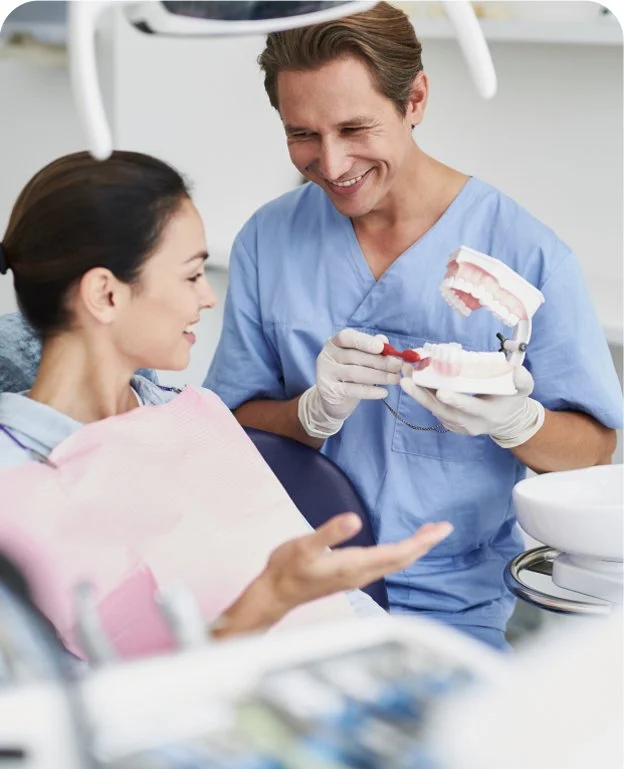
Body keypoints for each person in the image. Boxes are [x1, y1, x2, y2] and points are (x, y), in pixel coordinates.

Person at [204, 1, 623, 650]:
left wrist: (521, 423)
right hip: (298, 597)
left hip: (451, 608)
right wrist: (308, 415)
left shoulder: (524, 251)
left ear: (416, 98)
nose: (333, 164)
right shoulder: (269, 240)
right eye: (303, 134)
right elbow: (231, 426)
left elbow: (594, 450)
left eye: (354, 128)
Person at [0, 150, 452, 647]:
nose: (208, 297)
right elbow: (68, 709)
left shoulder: (193, 416)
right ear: (106, 294)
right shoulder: (14, 484)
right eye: (192, 275)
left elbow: (341, 605)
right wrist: (263, 606)